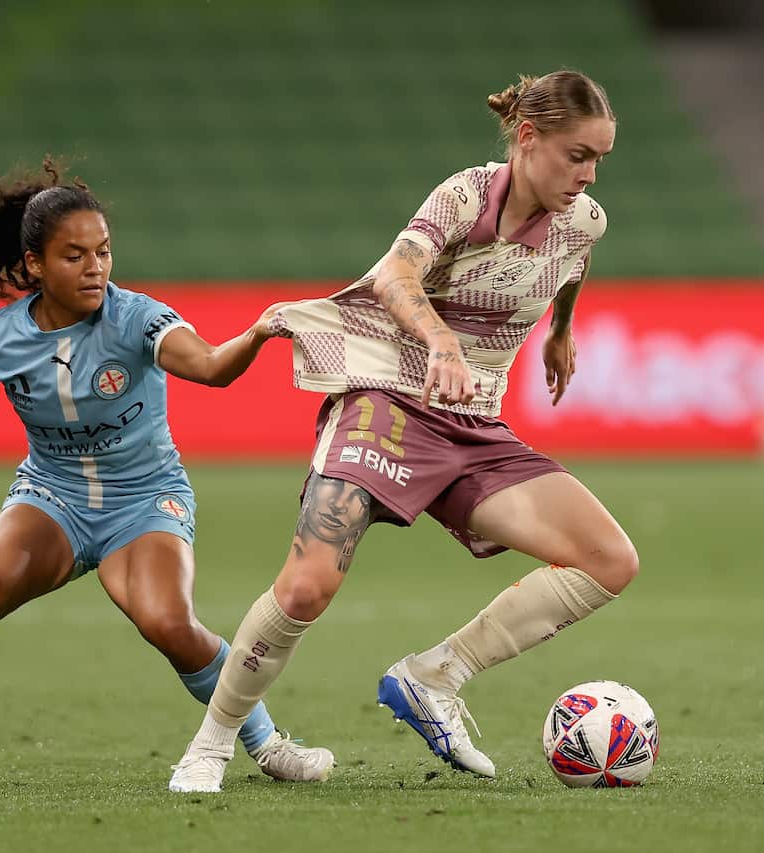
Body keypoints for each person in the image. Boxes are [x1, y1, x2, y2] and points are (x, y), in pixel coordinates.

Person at [0, 160, 334, 790]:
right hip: (52, 495)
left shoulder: (137, 318)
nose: (95, 267)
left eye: (102, 251)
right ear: (35, 265)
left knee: (168, 623)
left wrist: (259, 332)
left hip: (145, 500)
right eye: (74, 256)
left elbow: (212, 367)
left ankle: (269, 746)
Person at [169, 70, 636, 793]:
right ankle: (211, 744)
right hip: (387, 397)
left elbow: (574, 261)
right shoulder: (464, 197)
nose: (589, 175)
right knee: (307, 587)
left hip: (471, 420)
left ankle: (435, 676)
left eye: (599, 158)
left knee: (609, 559)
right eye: (578, 155)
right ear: (527, 138)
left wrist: (560, 330)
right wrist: (442, 342)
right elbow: (394, 276)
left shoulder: (584, 219)